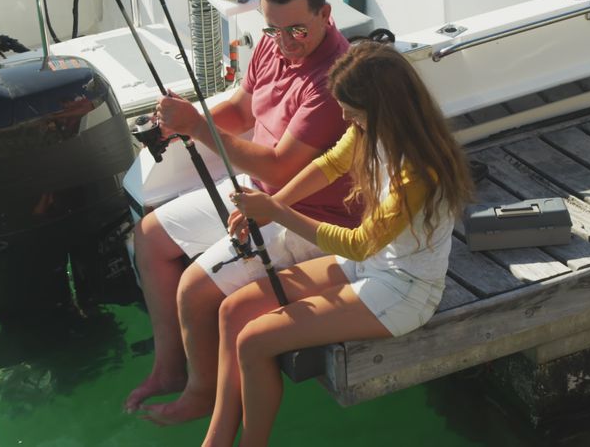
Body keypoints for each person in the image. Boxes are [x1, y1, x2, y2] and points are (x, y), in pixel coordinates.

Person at [203, 41, 474, 446]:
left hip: (404, 289)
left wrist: (276, 213)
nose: (344, 116)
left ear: (383, 107)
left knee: (254, 341)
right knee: (233, 310)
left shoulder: (417, 171)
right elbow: (330, 164)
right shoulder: (373, 128)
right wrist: (272, 203)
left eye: (351, 109)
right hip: (372, 266)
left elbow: (360, 244)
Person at [124, 0, 359, 423]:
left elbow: (281, 165)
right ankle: (169, 368)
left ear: (326, 13)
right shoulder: (273, 47)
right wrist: (183, 125)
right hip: (255, 193)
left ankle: (200, 393)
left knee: (194, 289)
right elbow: (239, 108)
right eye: (273, 30)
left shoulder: (334, 80)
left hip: (302, 213)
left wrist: (195, 126)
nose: (286, 42)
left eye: (297, 30)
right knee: (148, 237)